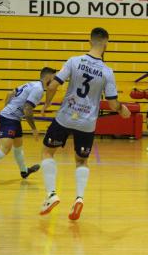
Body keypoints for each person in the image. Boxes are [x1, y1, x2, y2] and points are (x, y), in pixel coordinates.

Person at [39, 27, 130, 221]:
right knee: (81, 161)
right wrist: (123, 110)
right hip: (87, 123)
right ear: (106, 43)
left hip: (65, 117)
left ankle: (51, 194)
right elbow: (113, 104)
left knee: (47, 151)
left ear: (89, 41)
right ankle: (79, 198)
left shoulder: (74, 61)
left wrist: (47, 103)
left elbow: (53, 85)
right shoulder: (107, 72)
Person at [0, 67, 57, 185]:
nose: (55, 80)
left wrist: (7, 107)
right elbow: (27, 109)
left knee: (18, 146)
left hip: (13, 118)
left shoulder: (32, 84)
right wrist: (34, 128)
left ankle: (24, 171)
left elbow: (10, 93)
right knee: (5, 149)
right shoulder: (38, 90)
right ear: (47, 77)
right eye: (53, 77)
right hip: (9, 118)